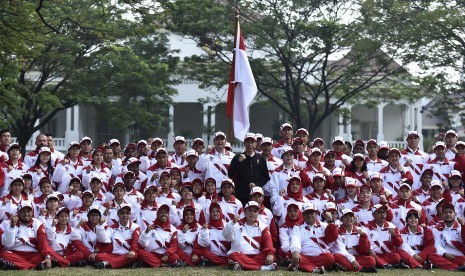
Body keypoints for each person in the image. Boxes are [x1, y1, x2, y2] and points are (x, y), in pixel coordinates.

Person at [0, 200, 66, 270]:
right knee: (3, 255)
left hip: (32, 254)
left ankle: (17, 265)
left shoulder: (37, 223)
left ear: (32, 212)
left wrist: (47, 257)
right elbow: (7, 244)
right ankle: (31, 266)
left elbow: (43, 242)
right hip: (14, 253)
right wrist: (12, 226)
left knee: (47, 256)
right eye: (23, 211)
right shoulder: (7, 224)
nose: (26, 214)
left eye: (28, 211)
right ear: (18, 213)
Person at [222, 201, 277, 271]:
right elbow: (227, 236)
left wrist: (270, 253)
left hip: (256, 256)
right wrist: (232, 223)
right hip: (240, 255)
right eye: (250, 210)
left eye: (255, 211)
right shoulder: (236, 223)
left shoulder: (263, 226)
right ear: (245, 212)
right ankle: (261, 268)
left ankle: (243, 266)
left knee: (270, 256)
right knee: (233, 255)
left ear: (258, 213)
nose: (252, 213)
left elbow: (268, 242)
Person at [289, 203, 338, 273]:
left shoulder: (324, 225)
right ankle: (316, 269)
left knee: (330, 258)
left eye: (311, 213)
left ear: (316, 213)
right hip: (304, 256)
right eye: (306, 213)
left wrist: (330, 222)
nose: (309, 215)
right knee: (293, 254)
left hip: (320, 257)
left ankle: (302, 267)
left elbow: (333, 238)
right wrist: (295, 251)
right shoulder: (297, 226)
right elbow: (295, 240)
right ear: (302, 215)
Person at [94, 203, 140, 269]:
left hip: (129, 254)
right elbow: (104, 240)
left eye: (127, 213)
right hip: (115, 255)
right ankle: (121, 263)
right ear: (118, 214)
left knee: (133, 256)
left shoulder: (135, 227)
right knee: (98, 257)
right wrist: (100, 226)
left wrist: (133, 250)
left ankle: (107, 263)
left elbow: (135, 241)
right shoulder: (112, 227)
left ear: (130, 214)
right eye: (122, 213)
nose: (125, 215)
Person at [228, 133, 270, 205]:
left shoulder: (261, 159)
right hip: (241, 194)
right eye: (248, 142)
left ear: (256, 144)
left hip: (256, 195)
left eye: (252, 142)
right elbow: (230, 174)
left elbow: (266, 177)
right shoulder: (237, 157)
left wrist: (257, 184)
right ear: (244, 143)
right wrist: (238, 162)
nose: (250, 144)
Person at [362, 204, 403, 268]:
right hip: (373, 254)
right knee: (371, 259)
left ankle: (381, 264)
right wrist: (370, 249)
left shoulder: (392, 226)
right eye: (379, 212)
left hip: (387, 255)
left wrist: (394, 236)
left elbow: (399, 243)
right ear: (373, 215)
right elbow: (364, 244)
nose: (382, 215)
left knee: (396, 257)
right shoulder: (366, 227)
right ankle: (386, 265)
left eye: (384, 212)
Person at [430, 202, 465, 271]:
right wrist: (444, 254)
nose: (448, 214)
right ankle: (456, 267)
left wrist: (463, 226)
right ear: (442, 215)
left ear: (455, 214)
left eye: (450, 212)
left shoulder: (460, 227)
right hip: (443, 255)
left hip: (458, 256)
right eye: (445, 213)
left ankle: (448, 265)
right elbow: (436, 244)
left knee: (463, 259)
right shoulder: (436, 228)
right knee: (431, 256)